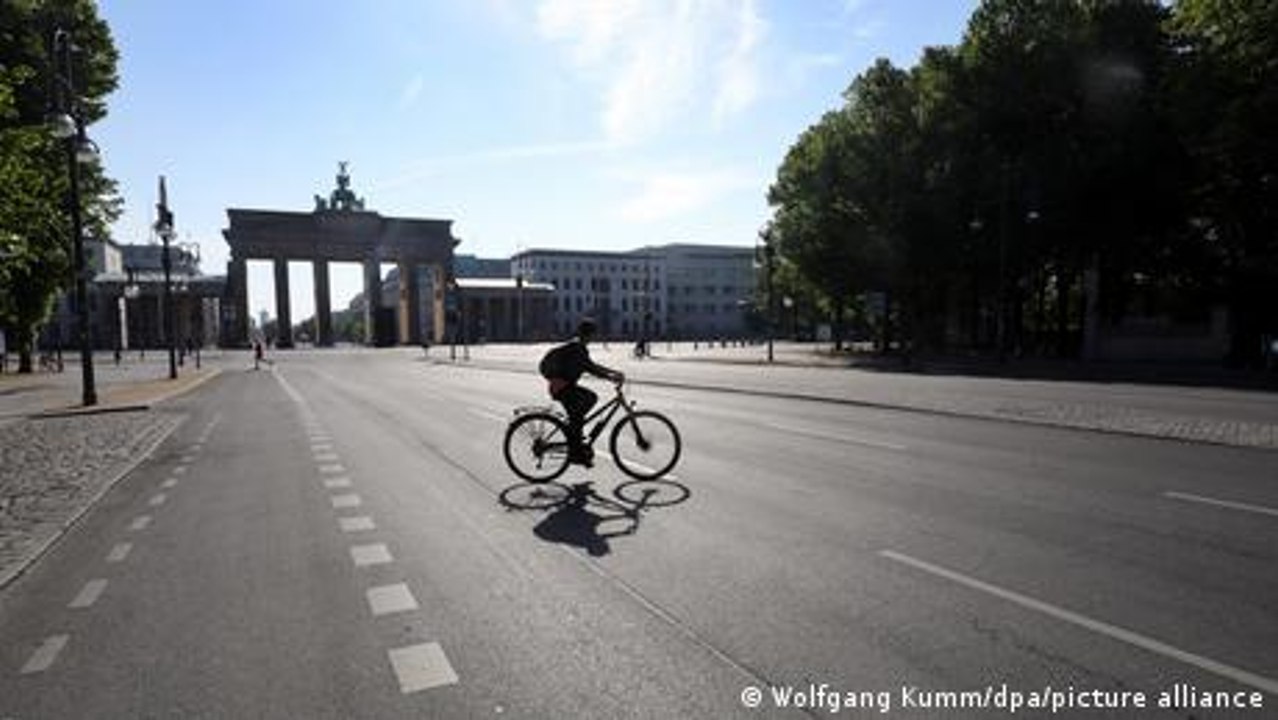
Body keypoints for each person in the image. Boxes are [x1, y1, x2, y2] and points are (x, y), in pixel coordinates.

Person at [540, 318, 624, 467]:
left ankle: (576, 442)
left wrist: (612, 373)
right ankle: (575, 451)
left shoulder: (577, 346)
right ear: (589, 334)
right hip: (562, 387)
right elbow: (591, 368)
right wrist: (611, 376)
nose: (592, 337)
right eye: (592, 334)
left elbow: (590, 366)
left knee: (580, 413)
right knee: (588, 401)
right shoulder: (578, 348)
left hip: (561, 386)